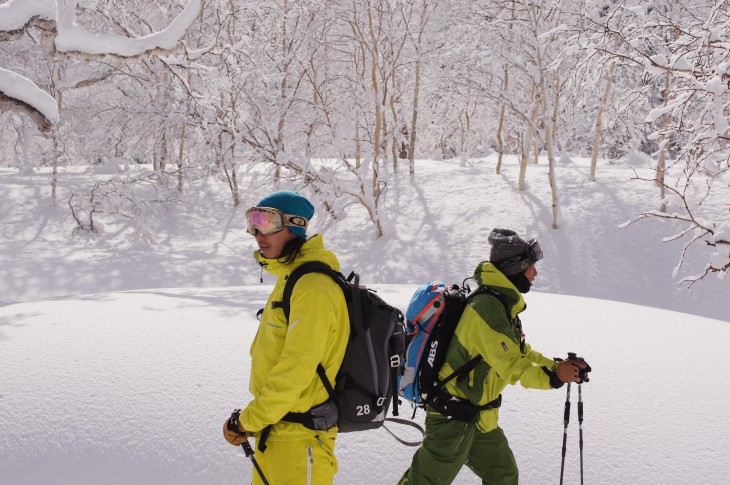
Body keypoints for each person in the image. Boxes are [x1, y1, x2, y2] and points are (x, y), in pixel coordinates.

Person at [399, 228, 590, 485]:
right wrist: (554, 378)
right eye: (531, 266)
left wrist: (557, 366)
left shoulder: (501, 306)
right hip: (452, 418)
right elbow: (512, 366)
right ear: (515, 268)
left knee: (503, 476)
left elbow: (521, 351)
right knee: (424, 482)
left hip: (478, 419)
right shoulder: (486, 308)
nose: (536, 272)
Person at [223, 190, 350, 485]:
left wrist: (248, 420)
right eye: (253, 222)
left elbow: (296, 368)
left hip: (299, 443)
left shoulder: (313, 286)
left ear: (294, 225)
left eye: (266, 222)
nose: (257, 233)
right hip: (279, 436)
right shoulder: (292, 279)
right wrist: (256, 421)